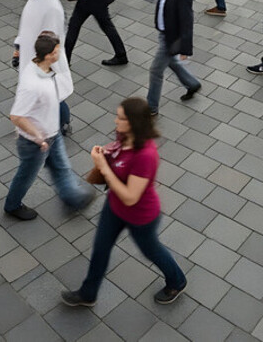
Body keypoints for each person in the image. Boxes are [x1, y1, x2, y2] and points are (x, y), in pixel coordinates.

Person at [61, 97, 188, 308]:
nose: (115, 121)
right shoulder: (124, 135)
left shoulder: (146, 156)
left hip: (140, 216)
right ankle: (88, 293)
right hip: (114, 206)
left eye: (120, 118)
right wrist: (107, 153)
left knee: (151, 250)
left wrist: (103, 167)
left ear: (134, 123)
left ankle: (177, 280)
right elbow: (119, 154)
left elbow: (131, 196)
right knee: (100, 248)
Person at [3, 32, 95, 220]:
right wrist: (38, 137)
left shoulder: (44, 69)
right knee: (26, 175)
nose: (60, 53)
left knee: (61, 168)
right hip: (36, 142)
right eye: (57, 50)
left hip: (52, 133)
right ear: (49, 55)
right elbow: (16, 116)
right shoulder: (32, 84)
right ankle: (12, 205)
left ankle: (73, 198)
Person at [15, 0, 76, 134]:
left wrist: (20, 47)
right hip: (39, 55)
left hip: (43, 57)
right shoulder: (50, 4)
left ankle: (64, 122)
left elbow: (49, 35)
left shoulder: (41, 2)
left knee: (54, 92)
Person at [148, 0, 200, 112]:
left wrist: (185, 48)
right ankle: (192, 84)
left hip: (171, 37)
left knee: (156, 70)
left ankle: (151, 107)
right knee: (171, 62)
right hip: (164, 33)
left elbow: (187, 21)